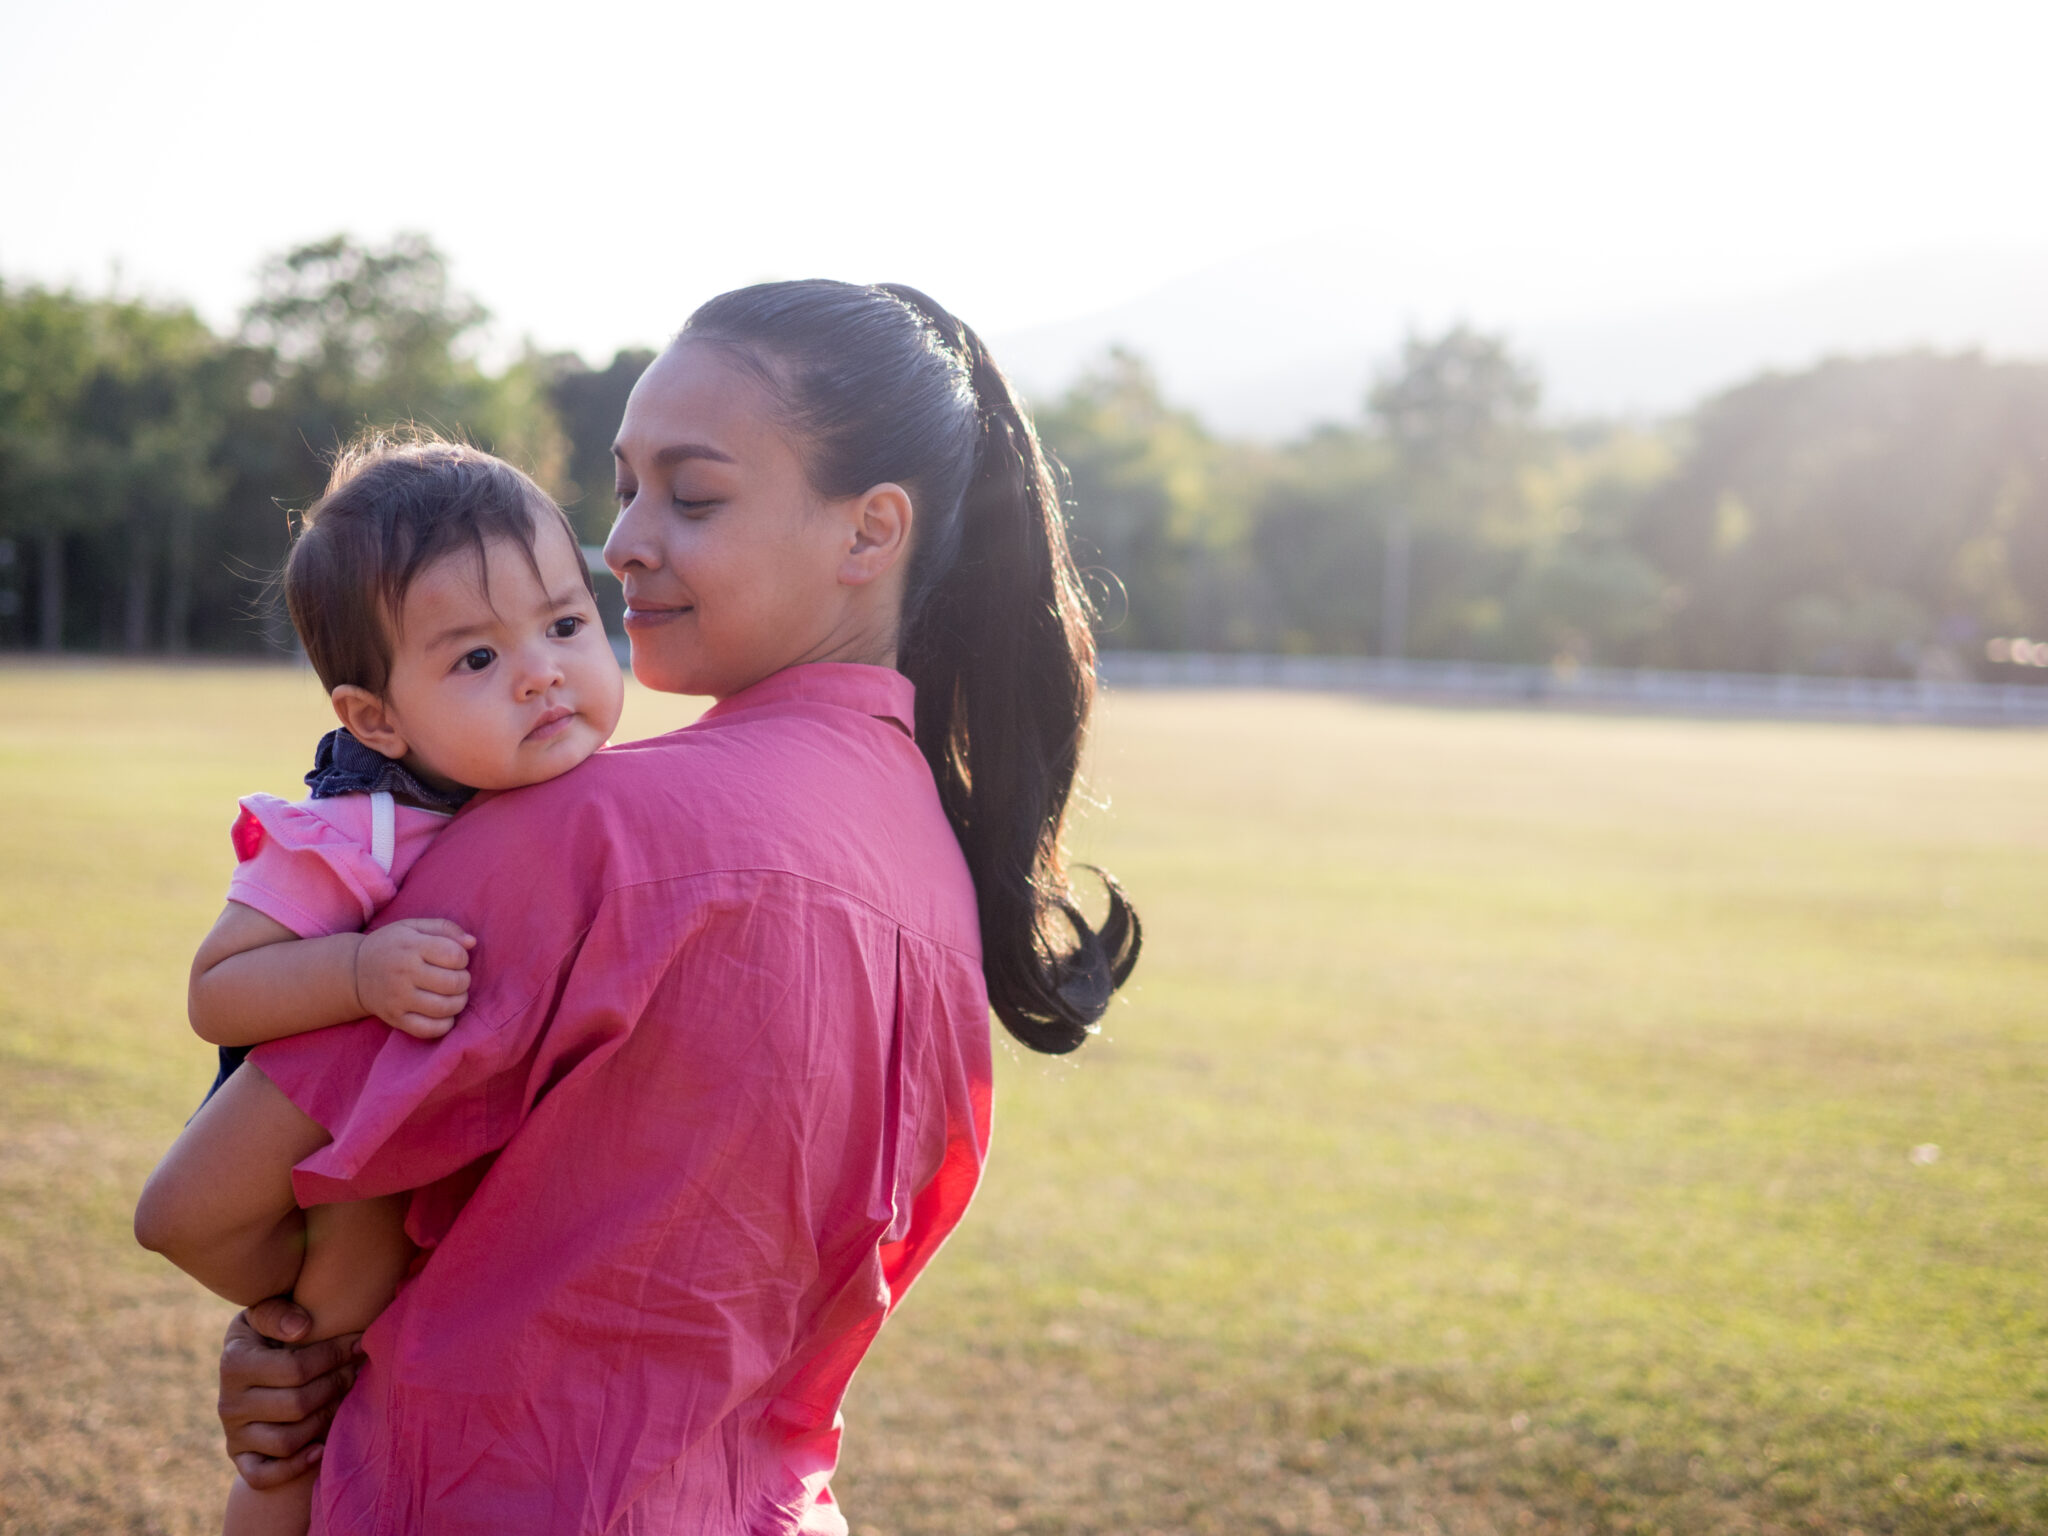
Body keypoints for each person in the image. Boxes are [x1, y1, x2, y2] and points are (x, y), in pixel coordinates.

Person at [135, 280, 1141, 1535]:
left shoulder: (579, 836)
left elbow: (197, 1208)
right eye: (622, 490)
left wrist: (295, 1341)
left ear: (870, 532)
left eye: (695, 495)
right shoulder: (939, 870)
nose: (621, 544)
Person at [173, 433, 626, 1533]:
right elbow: (217, 992)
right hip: (305, 1145)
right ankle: (294, 1333)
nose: (540, 670)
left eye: (565, 624)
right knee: (230, 1276)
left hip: (418, 1162)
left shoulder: (602, 799)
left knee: (323, 1390)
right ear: (375, 719)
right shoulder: (355, 829)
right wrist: (362, 969)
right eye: (474, 659)